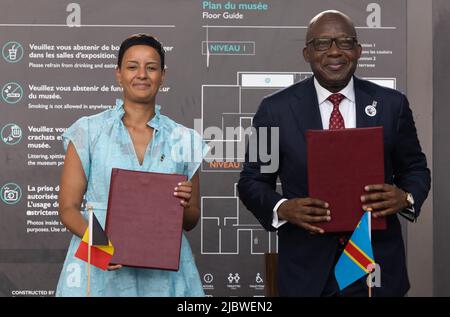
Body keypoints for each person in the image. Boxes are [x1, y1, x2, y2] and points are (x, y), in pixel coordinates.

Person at [238, 10, 430, 297]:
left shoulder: (392, 105)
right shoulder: (275, 111)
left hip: (376, 268)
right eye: (322, 43)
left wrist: (405, 197)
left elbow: (415, 169)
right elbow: (252, 182)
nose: (335, 52)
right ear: (306, 52)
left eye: (345, 42)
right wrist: (283, 208)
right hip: (307, 272)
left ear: (359, 50)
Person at [55, 34, 208, 296]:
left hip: (164, 272)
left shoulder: (185, 139)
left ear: (163, 75)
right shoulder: (88, 131)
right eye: (132, 66)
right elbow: (68, 208)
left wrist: (183, 204)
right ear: (118, 73)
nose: (142, 74)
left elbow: (191, 219)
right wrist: (100, 245)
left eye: (151, 67)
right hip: (98, 262)